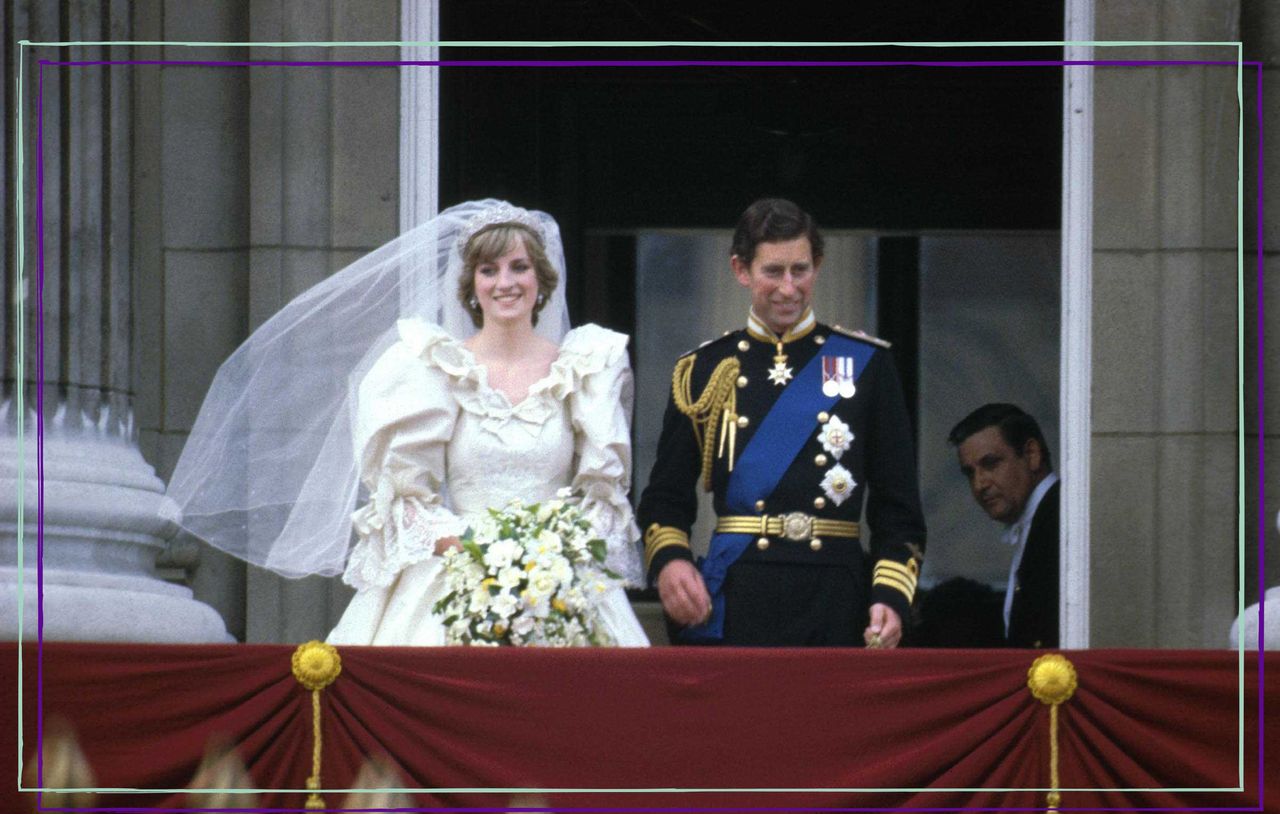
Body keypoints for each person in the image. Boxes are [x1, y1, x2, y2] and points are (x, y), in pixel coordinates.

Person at [164, 199, 649, 646]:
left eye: (519, 267)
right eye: (489, 269)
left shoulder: (586, 367)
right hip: (456, 571)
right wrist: (474, 551)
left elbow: (601, 500)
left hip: (559, 581)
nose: (506, 282)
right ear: (471, 285)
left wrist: (547, 556)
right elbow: (403, 499)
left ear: (541, 279)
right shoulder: (431, 367)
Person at [636, 198, 926, 647]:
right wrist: (672, 561)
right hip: (740, 593)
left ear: (818, 265)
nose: (788, 288)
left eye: (801, 270)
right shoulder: (706, 370)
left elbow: (899, 508)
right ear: (741, 269)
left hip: (836, 598)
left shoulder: (864, 364)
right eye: (773, 272)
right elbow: (665, 498)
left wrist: (890, 594)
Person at [948, 403, 1059, 649]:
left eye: (991, 464)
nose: (979, 484)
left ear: (1032, 455)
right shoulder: (1039, 519)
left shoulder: (1062, 520)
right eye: (969, 473)